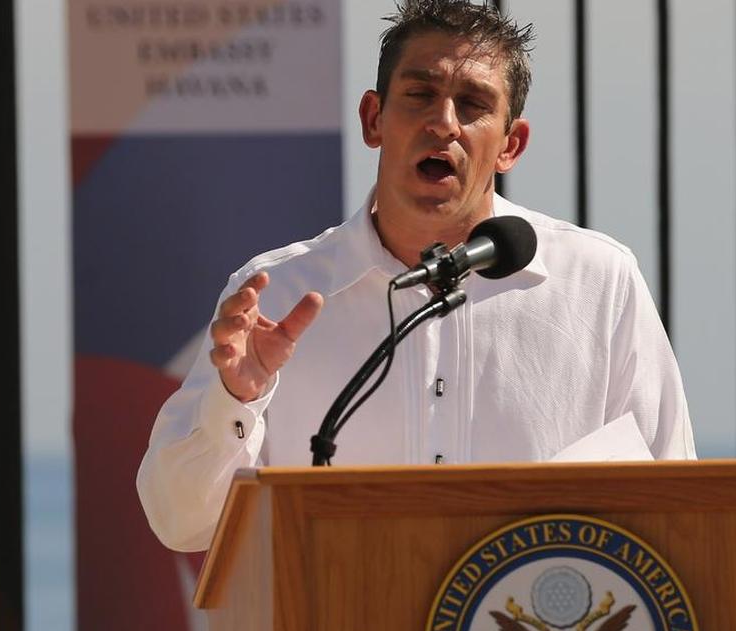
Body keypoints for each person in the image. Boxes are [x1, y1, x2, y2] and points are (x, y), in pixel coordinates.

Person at [137, 0, 695, 553]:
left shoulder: (599, 285)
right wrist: (237, 398)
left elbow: (679, 506)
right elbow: (180, 522)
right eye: (420, 94)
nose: (442, 123)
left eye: (473, 104)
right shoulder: (274, 293)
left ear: (511, 145)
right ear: (374, 119)